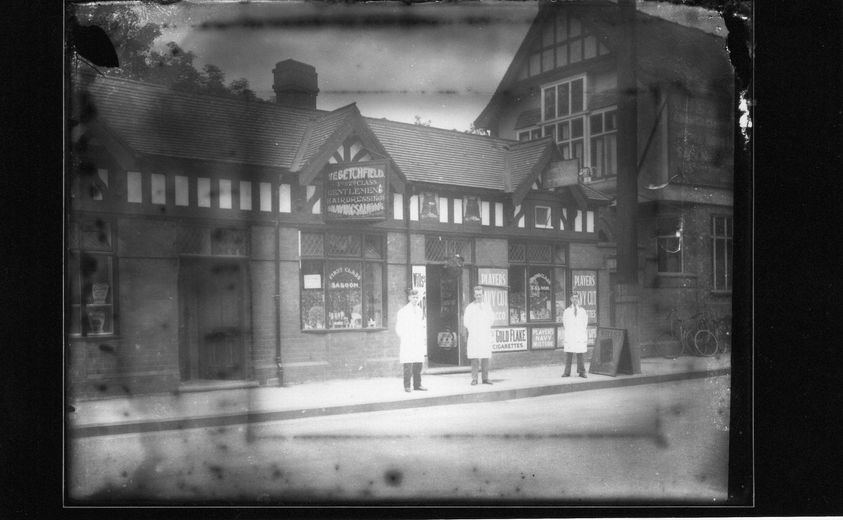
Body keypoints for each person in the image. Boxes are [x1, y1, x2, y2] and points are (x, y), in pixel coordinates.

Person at [395, 288, 427, 392]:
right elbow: (399, 327)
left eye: (417, 297)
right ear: (409, 298)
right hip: (408, 340)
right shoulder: (403, 311)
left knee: (418, 362)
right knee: (408, 363)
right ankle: (407, 386)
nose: (415, 299)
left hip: (417, 340)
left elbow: (422, 324)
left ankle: (417, 385)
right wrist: (405, 337)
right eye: (413, 297)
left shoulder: (419, 310)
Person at [463, 286, 495, 385]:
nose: (478, 297)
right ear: (474, 295)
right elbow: (466, 322)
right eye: (476, 295)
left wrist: (485, 328)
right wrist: (473, 329)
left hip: (484, 335)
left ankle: (485, 378)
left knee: (485, 356)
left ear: (483, 295)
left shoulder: (487, 307)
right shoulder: (470, 307)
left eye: (480, 294)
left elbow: (491, 319)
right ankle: (474, 379)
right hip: (475, 335)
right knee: (475, 357)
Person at [561, 293, 589, 378]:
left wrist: (581, 333)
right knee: (569, 354)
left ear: (578, 299)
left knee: (580, 354)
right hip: (570, 335)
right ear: (570, 299)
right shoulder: (567, 311)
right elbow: (565, 323)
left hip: (579, 335)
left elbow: (585, 323)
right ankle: (567, 372)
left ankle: (582, 372)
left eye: (576, 298)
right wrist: (570, 333)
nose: (575, 300)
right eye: (573, 298)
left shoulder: (582, 311)